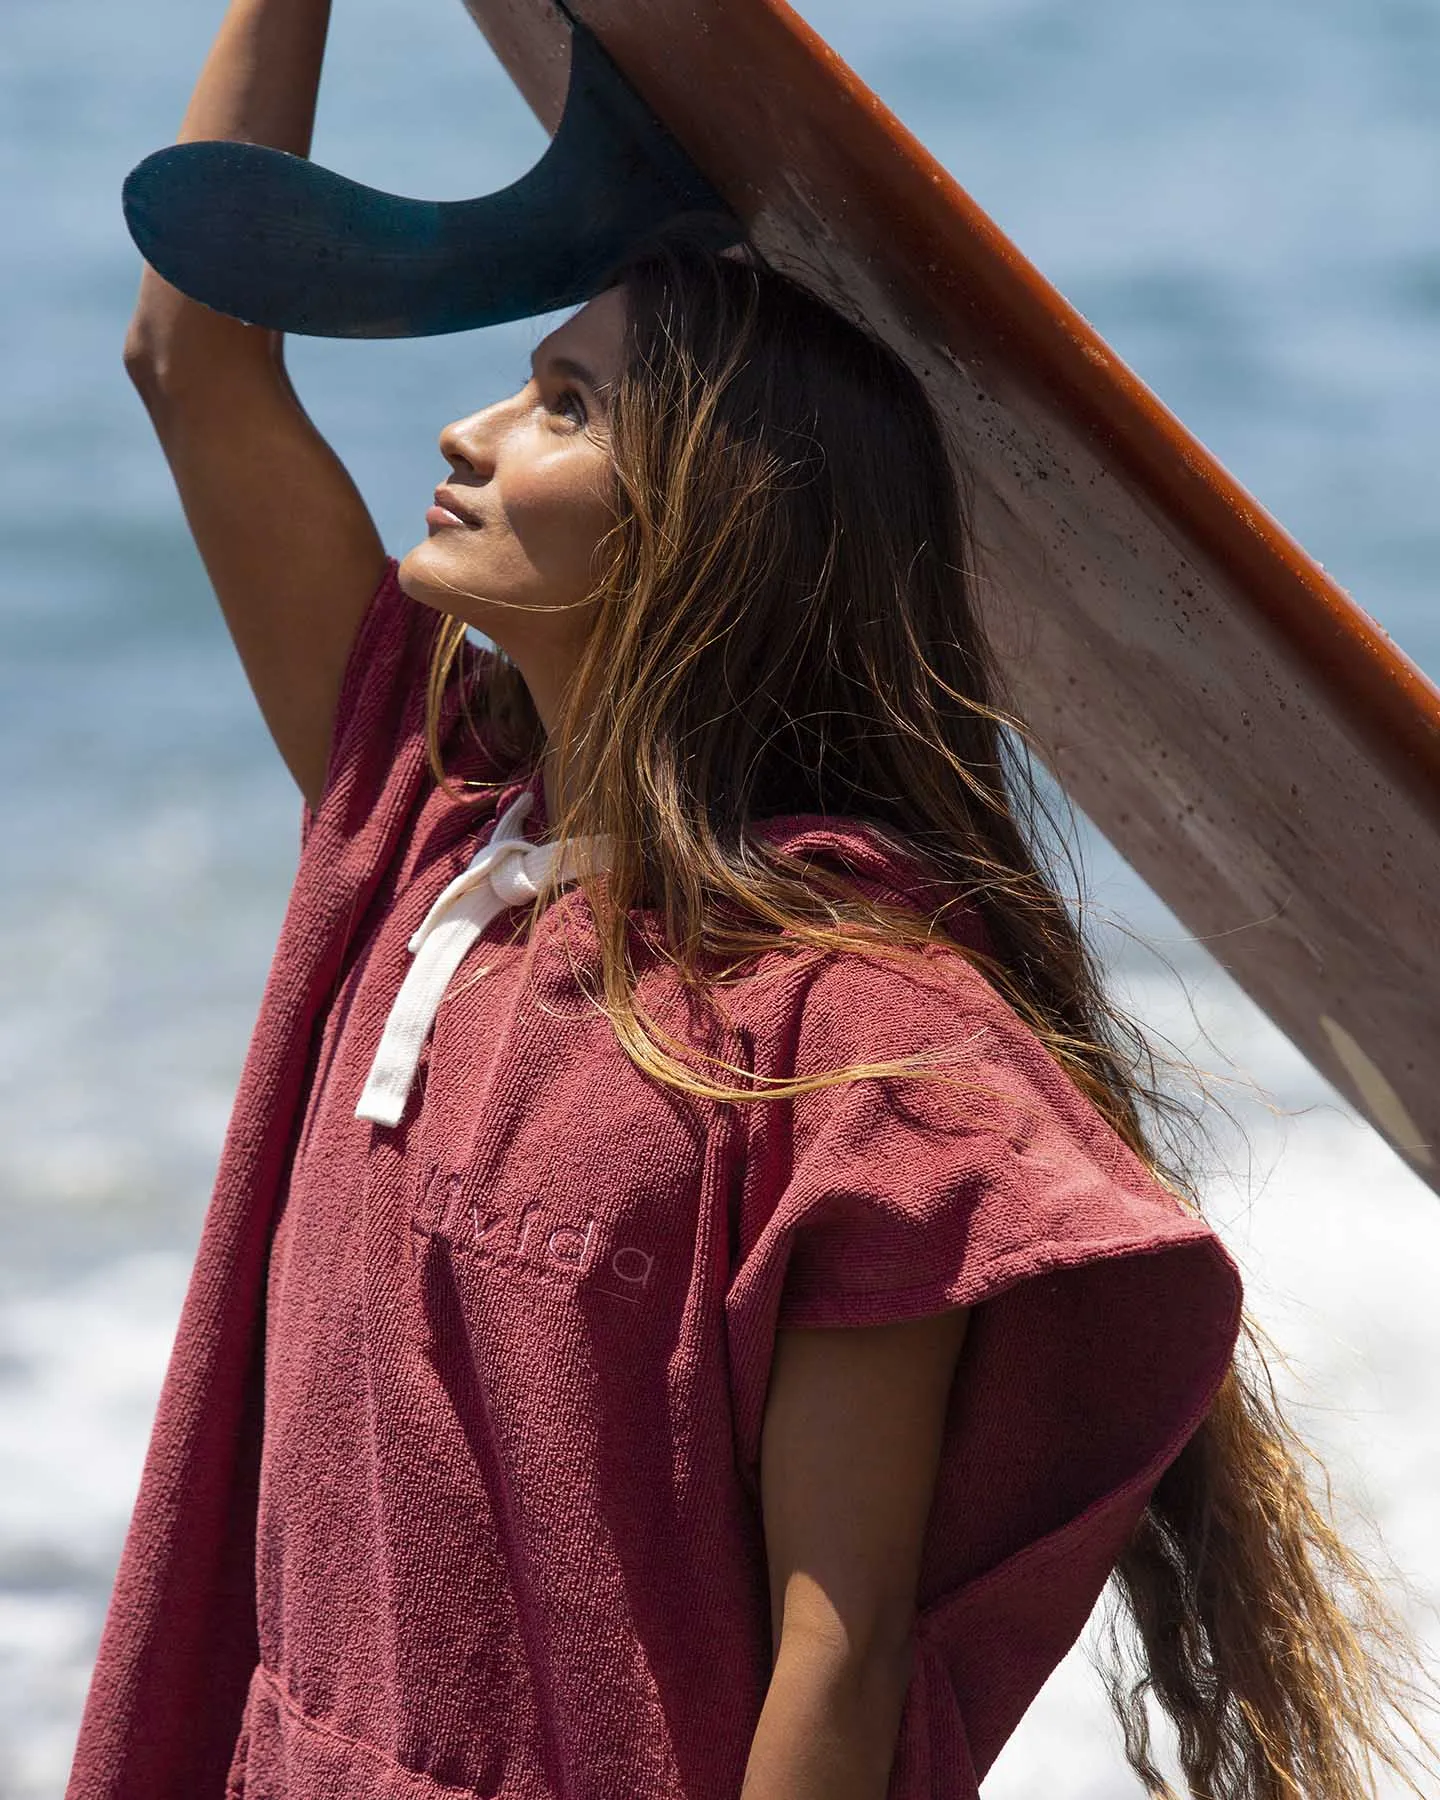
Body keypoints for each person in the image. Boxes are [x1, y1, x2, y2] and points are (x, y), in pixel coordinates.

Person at [73, 3, 1434, 1798]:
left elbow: (837, 1650)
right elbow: (194, 356)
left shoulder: (856, 1046)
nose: (471, 431)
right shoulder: (425, 826)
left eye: (565, 404)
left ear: (713, 523)